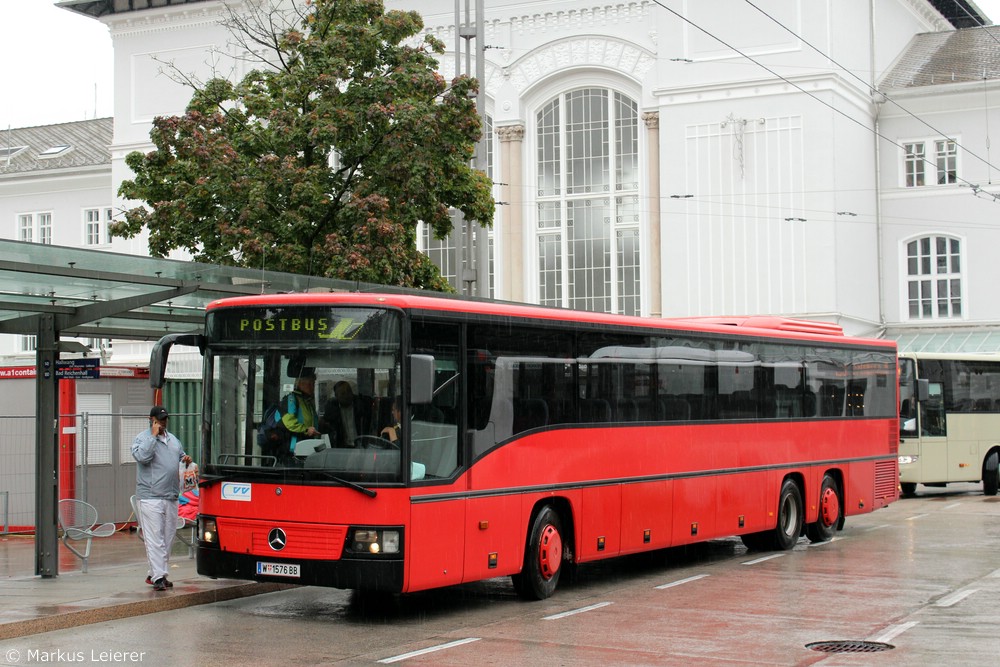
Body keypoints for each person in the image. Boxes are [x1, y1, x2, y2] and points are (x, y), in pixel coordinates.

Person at [132, 405, 192, 591]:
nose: (164, 422)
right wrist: (153, 436)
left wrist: (186, 459)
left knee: (168, 537)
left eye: (165, 419)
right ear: (152, 420)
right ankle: (158, 577)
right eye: (160, 419)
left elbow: (180, 456)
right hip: (150, 497)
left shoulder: (173, 440)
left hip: (171, 495)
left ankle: (157, 573)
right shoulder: (142, 439)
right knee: (154, 538)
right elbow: (142, 457)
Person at [281, 367, 321, 456]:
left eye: (313, 384)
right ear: (299, 383)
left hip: (308, 448)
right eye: (309, 384)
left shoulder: (306, 401)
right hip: (295, 450)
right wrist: (306, 430)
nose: (312, 387)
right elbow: (289, 423)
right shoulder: (292, 399)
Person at [324, 380, 373, 447]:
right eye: (343, 393)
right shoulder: (332, 410)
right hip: (342, 448)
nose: (347, 395)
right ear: (336, 396)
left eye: (349, 391)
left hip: (361, 446)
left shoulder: (361, 406)